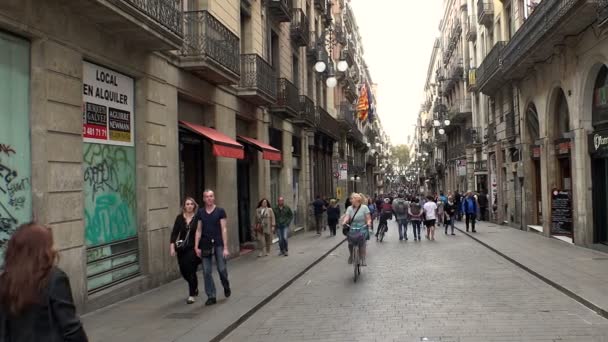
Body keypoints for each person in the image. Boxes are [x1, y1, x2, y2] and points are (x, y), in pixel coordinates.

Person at [0, 223, 88, 341]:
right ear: (41, 250)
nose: (55, 248)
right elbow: (71, 327)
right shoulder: (54, 278)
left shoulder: (5, 280)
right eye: (51, 244)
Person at [194, 190, 231, 306]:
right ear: (204, 199)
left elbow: (224, 229)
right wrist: (196, 246)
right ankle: (211, 295)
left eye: (211, 196)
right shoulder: (200, 213)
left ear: (214, 198)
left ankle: (225, 284)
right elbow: (198, 230)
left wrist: (225, 247)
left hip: (218, 243)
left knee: (221, 269)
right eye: (206, 197)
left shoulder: (220, 211)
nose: (209, 198)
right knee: (206, 271)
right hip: (205, 244)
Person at [170, 197, 201, 304]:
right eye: (187, 204)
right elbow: (174, 233)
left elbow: (201, 232)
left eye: (191, 204)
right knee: (184, 271)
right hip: (182, 248)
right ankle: (194, 286)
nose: (189, 206)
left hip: (193, 248)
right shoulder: (179, 218)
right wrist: (172, 247)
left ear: (194, 206)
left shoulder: (198, 218)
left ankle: (191, 295)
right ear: (184, 206)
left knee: (191, 270)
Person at [341, 193, 372, 266]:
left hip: (362, 227)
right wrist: (344, 221)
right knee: (350, 243)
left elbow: (368, 218)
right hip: (352, 228)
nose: (350, 200)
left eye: (352, 199)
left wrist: (368, 223)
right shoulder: (349, 208)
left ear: (357, 200)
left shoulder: (364, 207)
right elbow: (347, 216)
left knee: (362, 243)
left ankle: (363, 258)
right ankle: (351, 255)